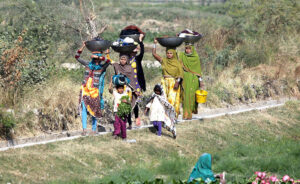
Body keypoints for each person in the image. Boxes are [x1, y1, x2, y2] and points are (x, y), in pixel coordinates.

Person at [75, 42, 111, 135]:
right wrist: (82, 46)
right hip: (85, 89)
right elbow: (77, 57)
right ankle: (84, 129)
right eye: (95, 59)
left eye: (98, 59)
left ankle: (94, 129)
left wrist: (106, 54)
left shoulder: (101, 67)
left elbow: (108, 61)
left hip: (94, 90)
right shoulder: (87, 64)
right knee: (83, 108)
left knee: (94, 109)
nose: (96, 61)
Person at [152, 39, 184, 118]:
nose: (169, 55)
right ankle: (165, 116)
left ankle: (172, 116)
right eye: (168, 53)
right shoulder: (164, 61)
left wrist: (178, 82)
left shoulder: (177, 62)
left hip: (173, 82)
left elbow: (181, 73)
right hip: (164, 82)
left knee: (171, 100)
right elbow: (154, 54)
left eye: (171, 53)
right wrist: (154, 44)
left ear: (173, 54)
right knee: (164, 99)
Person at [113, 54, 141, 128]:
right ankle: (122, 123)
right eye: (121, 59)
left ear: (127, 60)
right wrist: (106, 54)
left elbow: (131, 81)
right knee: (120, 105)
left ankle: (130, 123)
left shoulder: (130, 68)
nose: (122, 61)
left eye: (124, 59)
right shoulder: (117, 66)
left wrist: (134, 90)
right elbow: (109, 61)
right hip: (120, 89)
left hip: (128, 90)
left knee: (127, 106)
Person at [179, 43, 204, 120]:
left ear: (192, 49)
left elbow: (198, 70)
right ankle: (186, 114)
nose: (188, 50)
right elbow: (179, 68)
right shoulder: (182, 56)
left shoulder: (195, 57)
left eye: (189, 48)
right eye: (186, 48)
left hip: (194, 80)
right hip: (185, 79)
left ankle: (191, 112)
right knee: (186, 96)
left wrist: (201, 81)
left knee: (192, 96)